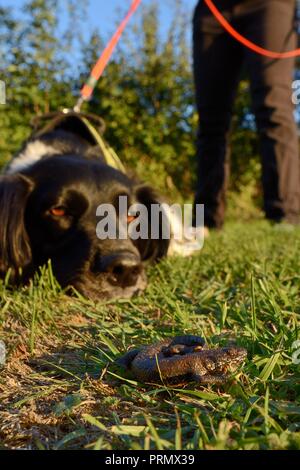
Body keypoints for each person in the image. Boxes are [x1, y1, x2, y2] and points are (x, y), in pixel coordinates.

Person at [193, 0, 300, 231]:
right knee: (210, 118)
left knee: (275, 110)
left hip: (270, 6)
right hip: (212, 10)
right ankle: (205, 219)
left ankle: (286, 214)